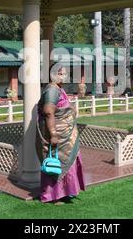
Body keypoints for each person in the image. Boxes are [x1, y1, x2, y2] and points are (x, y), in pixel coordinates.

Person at [36, 64, 86, 205]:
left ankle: (64, 193)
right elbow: (48, 112)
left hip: (67, 136)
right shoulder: (51, 90)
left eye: (65, 73)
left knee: (67, 163)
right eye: (60, 73)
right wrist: (53, 134)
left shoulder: (59, 88)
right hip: (58, 135)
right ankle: (53, 195)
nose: (64, 76)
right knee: (55, 163)